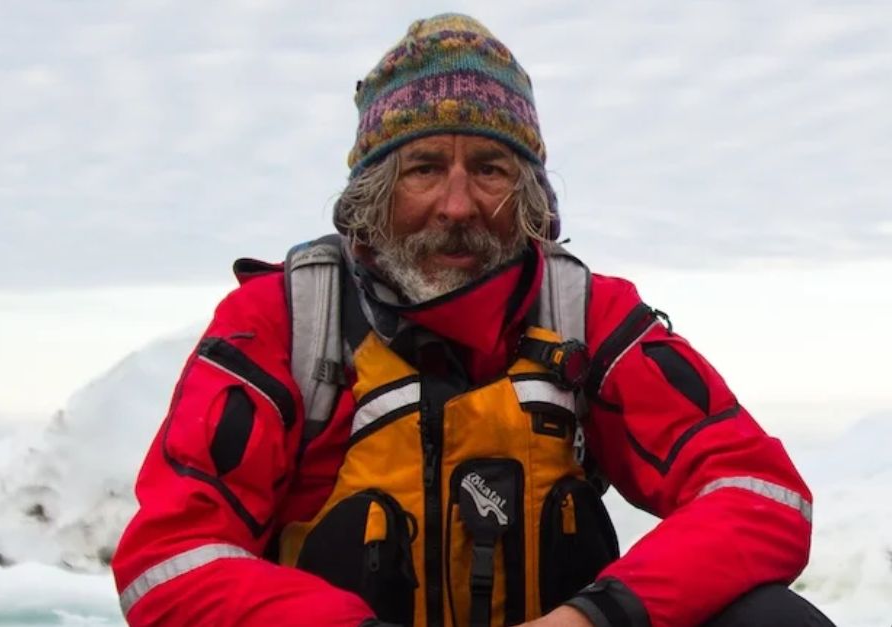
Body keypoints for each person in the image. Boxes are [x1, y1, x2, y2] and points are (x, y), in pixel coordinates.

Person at [110, 13, 834, 627]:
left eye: (489, 168)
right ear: (372, 192)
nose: (457, 207)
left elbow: (757, 491)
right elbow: (167, 558)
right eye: (423, 168)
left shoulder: (585, 315)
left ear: (530, 196)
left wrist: (597, 616)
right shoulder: (285, 322)